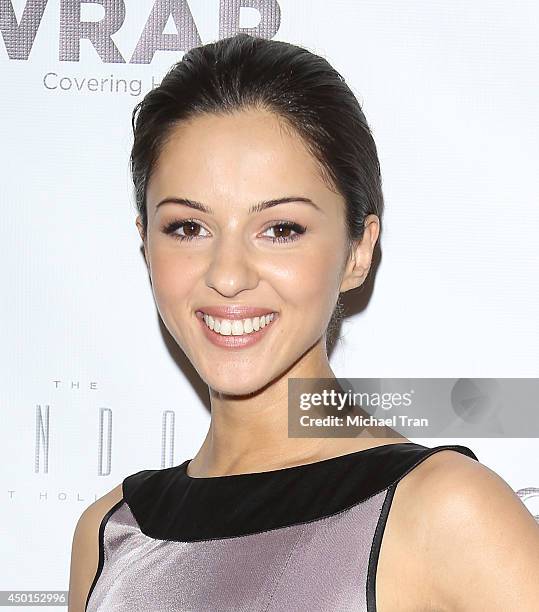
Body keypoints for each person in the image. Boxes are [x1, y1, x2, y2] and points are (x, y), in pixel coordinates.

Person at [68, 33, 539, 611]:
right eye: (188, 228)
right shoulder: (112, 535)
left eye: (281, 229)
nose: (229, 275)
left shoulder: (444, 512)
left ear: (358, 251)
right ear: (145, 244)